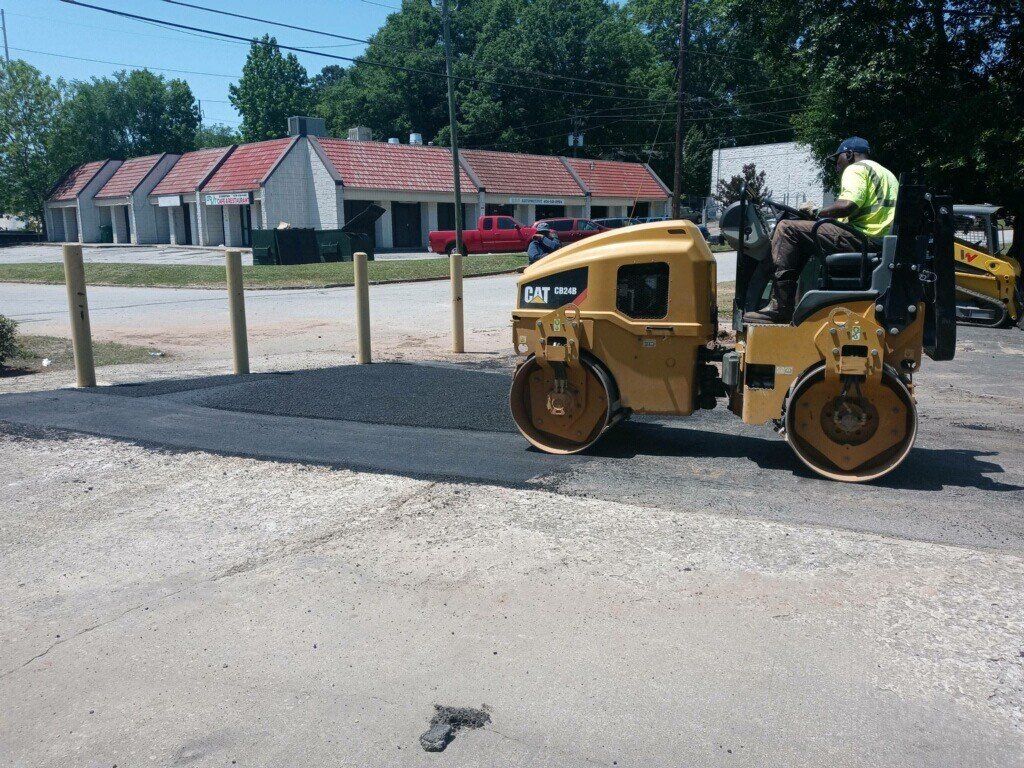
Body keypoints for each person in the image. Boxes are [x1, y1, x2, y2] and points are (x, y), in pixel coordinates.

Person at [743, 136, 899, 324]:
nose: (836, 167)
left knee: (787, 229)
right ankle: (793, 303)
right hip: (878, 240)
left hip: (864, 238)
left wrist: (816, 211)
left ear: (849, 154)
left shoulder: (856, 169)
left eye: (837, 160)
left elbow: (848, 205)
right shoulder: (886, 174)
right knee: (801, 234)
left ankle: (780, 307)